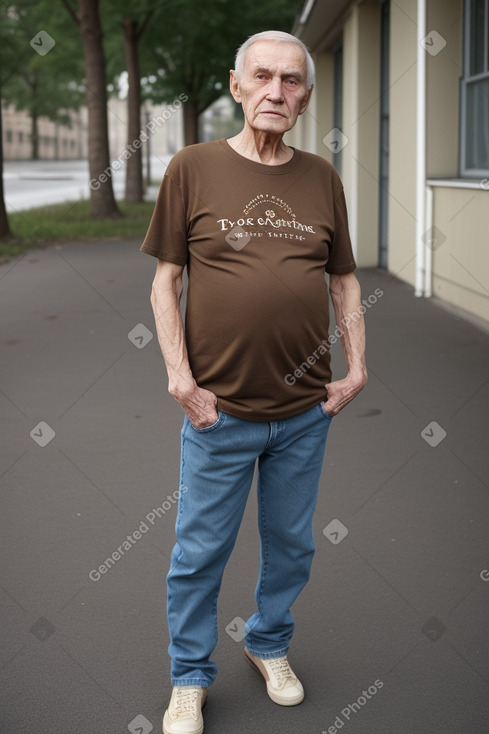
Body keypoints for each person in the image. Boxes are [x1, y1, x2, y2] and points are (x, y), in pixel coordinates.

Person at [141, 29, 367, 734]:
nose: (276, 91)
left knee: (292, 544)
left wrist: (357, 366)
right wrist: (180, 377)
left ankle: (268, 644)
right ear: (237, 86)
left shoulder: (321, 178)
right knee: (198, 551)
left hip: (304, 411)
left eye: (291, 80)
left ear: (303, 95)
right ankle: (188, 676)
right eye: (262, 77)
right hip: (220, 413)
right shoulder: (193, 167)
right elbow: (165, 281)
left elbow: (343, 279)